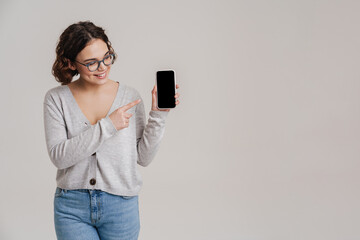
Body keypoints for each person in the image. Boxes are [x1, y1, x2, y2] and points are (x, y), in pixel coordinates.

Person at [43, 21, 180, 240]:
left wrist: (159, 114)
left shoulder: (129, 96)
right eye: (91, 63)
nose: (103, 67)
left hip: (121, 206)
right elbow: (60, 157)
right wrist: (108, 125)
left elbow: (143, 158)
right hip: (72, 207)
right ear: (71, 63)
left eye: (107, 56)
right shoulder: (56, 99)